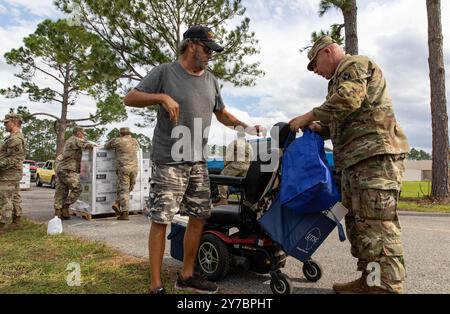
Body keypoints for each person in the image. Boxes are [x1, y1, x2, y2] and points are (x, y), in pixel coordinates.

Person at [124, 25, 266, 294]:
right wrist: (161, 96)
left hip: (198, 161)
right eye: (206, 49)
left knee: (200, 216)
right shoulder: (165, 72)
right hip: (169, 160)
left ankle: (187, 274)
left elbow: (221, 113)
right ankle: (155, 284)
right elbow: (130, 98)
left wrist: (246, 128)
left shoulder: (211, 79)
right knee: (161, 218)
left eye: (212, 51)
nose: (210, 55)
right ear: (191, 45)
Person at [289, 36, 410, 294]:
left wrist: (309, 115)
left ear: (329, 51)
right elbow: (346, 120)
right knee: (359, 224)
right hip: (355, 163)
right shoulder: (337, 80)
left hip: (374, 160)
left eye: (315, 64)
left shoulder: (353, 65)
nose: (316, 71)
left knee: (377, 225)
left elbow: (349, 100)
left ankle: (386, 287)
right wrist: (319, 129)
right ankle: (370, 280)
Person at [54, 126, 94, 220]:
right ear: (78, 133)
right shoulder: (75, 140)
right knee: (78, 188)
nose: (84, 136)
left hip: (62, 169)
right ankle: (65, 206)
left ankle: (58, 213)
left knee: (62, 192)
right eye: (83, 134)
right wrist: (97, 146)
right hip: (67, 169)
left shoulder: (70, 140)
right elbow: (87, 145)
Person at [104, 127, 140, 220]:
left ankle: (124, 212)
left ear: (121, 134)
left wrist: (112, 140)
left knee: (124, 190)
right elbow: (137, 148)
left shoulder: (118, 141)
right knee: (129, 189)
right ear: (129, 133)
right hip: (134, 169)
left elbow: (106, 146)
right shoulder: (135, 141)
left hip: (124, 168)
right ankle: (117, 203)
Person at [0, 113, 26, 233]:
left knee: (5, 198)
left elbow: (15, 159)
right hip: (11, 173)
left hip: (9, 174)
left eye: (6, 122)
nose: (4, 124)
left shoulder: (15, 139)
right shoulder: (12, 137)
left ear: (14, 122)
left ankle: (2, 224)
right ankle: (17, 222)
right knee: (14, 197)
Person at [214, 129, 253, 206]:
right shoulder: (249, 145)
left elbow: (228, 157)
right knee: (245, 184)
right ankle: (246, 202)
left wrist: (225, 166)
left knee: (221, 179)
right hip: (247, 167)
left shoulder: (234, 143)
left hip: (235, 166)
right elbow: (251, 159)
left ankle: (223, 200)